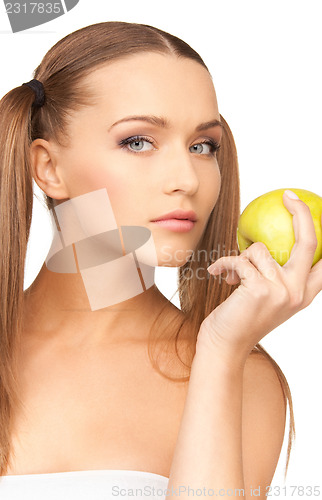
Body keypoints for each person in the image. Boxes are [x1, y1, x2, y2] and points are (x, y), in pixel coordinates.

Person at [0, 21, 320, 499]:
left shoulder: (242, 376)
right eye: (138, 141)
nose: (186, 179)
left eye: (202, 146)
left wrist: (218, 355)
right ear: (48, 168)